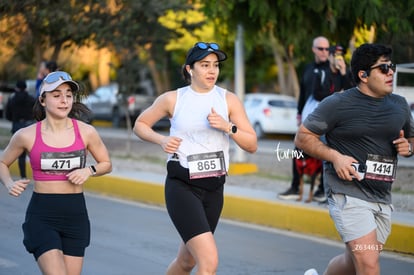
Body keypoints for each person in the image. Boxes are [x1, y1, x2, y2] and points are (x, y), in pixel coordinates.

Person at [133, 42, 257, 274]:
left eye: (215, 65)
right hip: (183, 187)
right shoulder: (173, 99)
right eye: (204, 65)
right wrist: (160, 140)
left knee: (186, 262)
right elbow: (140, 124)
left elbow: (251, 145)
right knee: (208, 262)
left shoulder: (228, 100)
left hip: (214, 189)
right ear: (190, 69)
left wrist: (229, 127)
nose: (212, 71)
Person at [296, 43, 414, 275]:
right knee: (369, 264)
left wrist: (408, 147)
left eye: (392, 67)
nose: (391, 72)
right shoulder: (338, 104)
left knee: (355, 261)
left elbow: (412, 138)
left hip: (381, 195)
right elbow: (303, 137)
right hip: (347, 193)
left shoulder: (399, 105)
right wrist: (335, 157)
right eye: (383, 68)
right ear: (363, 75)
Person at [0, 71, 112, 275]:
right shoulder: (26, 135)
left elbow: (106, 163)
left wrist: (89, 170)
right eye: (56, 94)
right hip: (42, 215)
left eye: (68, 95)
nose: (64, 100)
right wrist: (9, 183)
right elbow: (2, 162)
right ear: (43, 100)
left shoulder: (86, 132)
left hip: (76, 215)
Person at [278, 36, 331, 202]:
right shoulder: (308, 69)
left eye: (327, 49)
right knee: (298, 151)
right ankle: (295, 187)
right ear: (314, 49)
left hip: (327, 120)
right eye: (320, 48)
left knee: (324, 154)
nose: (324, 52)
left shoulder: (333, 69)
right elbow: (302, 93)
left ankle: (322, 189)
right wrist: (299, 113)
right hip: (308, 119)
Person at [5, 80, 36, 179]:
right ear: (26, 88)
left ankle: (23, 176)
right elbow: (36, 112)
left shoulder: (12, 99)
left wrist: (15, 120)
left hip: (17, 126)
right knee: (34, 151)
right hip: (29, 126)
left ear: (16, 88)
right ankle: (38, 174)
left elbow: (8, 115)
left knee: (21, 154)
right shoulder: (31, 99)